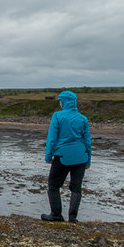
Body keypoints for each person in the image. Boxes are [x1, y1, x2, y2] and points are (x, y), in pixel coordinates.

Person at [41, 90, 91, 223]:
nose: (59, 102)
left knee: (53, 185)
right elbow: (87, 142)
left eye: (60, 100)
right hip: (81, 157)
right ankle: (73, 218)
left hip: (62, 155)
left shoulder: (57, 116)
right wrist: (88, 160)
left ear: (64, 101)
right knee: (76, 188)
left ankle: (56, 215)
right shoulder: (83, 118)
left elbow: (52, 138)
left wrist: (48, 156)